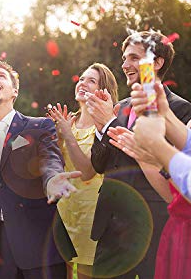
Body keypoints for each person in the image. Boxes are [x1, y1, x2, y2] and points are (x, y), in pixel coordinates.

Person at [110, 36, 191, 278]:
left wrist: (157, 147)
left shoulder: (182, 109)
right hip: (179, 239)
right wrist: (147, 156)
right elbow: (176, 193)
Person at [87, 31, 191, 278]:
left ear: (156, 63)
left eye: (134, 58)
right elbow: (99, 164)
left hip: (153, 228)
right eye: (125, 58)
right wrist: (101, 126)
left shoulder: (179, 109)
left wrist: (111, 123)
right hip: (111, 229)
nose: (125, 65)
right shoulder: (121, 107)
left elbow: (164, 165)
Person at [0, 60, 81, 279]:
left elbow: (50, 160)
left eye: (0, 76)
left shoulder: (39, 127)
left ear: (14, 91)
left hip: (40, 243)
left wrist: (53, 179)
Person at [48, 63, 118, 279]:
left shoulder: (104, 126)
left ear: (103, 90)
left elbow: (87, 171)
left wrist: (67, 135)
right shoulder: (68, 122)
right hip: (64, 212)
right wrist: (59, 136)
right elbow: (55, 167)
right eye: (82, 79)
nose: (83, 83)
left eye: (91, 80)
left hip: (91, 216)